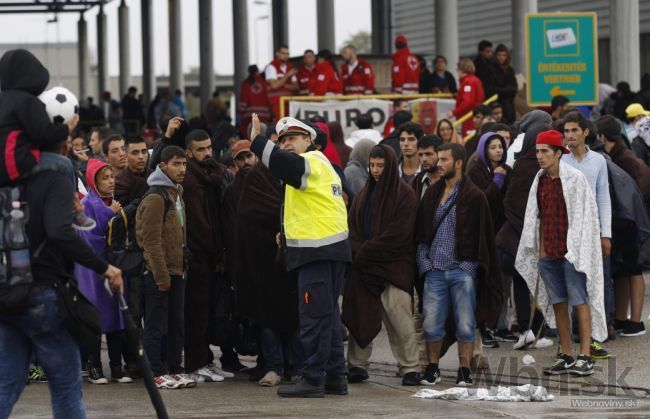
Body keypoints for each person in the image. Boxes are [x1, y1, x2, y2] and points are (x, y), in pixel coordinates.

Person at [0, 137, 123, 418]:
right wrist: (104, 267)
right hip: (45, 293)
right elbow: (60, 233)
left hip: (11, 292)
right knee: (67, 386)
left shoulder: (11, 184)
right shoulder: (55, 179)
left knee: (7, 383)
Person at [249, 114, 351, 398]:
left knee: (314, 319)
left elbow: (282, 164)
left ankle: (313, 379)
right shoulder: (322, 166)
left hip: (317, 251)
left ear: (309, 140)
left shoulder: (311, 162)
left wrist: (258, 141)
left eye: (293, 138)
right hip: (329, 250)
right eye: (282, 140)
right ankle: (335, 377)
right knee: (328, 317)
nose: (287, 144)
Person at [516, 130, 606, 376]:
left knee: (580, 302)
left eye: (545, 151)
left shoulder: (575, 179)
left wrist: (576, 251)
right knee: (558, 304)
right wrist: (542, 252)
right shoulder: (540, 180)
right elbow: (537, 217)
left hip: (571, 254)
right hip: (549, 254)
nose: (540, 156)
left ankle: (585, 355)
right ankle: (566, 354)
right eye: (537, 151)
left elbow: (587, 217)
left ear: (558, 153)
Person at [415, 143, 502, 387]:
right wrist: (425, 264)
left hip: (462, 271)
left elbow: (484, 239)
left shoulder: (475, 197)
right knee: (431, 324)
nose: (439, 164)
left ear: (459, 163)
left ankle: (464, 370)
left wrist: (469, 268)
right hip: (434, 271)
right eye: (439, 159)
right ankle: (433, 369)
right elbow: (421, 233)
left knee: (466, 324)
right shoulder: (431, 194)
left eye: (444, 160)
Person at [342, 145, 420, 386]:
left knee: (400, 320)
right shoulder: (365, 194)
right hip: (365, 268)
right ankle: (357, 365)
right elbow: (353, 228)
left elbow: (399, 234)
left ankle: (410, 367)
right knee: (359, 316)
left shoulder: (404, 195)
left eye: (380, 166)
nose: (375, 171)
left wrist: (366, 251)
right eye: (372, 165)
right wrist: (361, 251)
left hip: (393, 267)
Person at [235, 159, 303, 387]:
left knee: (293, 318)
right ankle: (274, 367)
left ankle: (297, 367)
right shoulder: (258, 176)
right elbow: (249, 212)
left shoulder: (296, 174)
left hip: (291, 260)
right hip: (262, 262)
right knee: (268, 319)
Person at [136, 145, 195, 390]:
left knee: (176, 324)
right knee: (155, 324)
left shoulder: (176, 193)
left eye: (183, 164)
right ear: (163, 166)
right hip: (159, 273)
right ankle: (156, 371)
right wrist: (161, 275)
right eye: (176, 164)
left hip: (177, 269)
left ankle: (175, 369)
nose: (182, 169)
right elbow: (149, 240)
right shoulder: (155, 197)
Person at [180, 130, 232, 383]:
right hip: (198, 256)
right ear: (189, 153)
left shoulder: (210, 176)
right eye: (201, 149)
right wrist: (212, 249)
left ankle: (205, 362)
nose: (207, 153)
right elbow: (198, 224)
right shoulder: (190, 180)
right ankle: (195, 364)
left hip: (212, 256)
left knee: (208, 313)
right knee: (196, 315)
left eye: (209, 147)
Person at [75, 159, 132, 385]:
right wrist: (111, 214)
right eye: (105, 178)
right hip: (93, 270)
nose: (111, 182)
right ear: (93, 181)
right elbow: (89, 237)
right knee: (96, 319)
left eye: (112, 177)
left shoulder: (112, 202)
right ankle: (96, 367)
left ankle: (116, 368)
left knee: (116, 316)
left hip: (112, 267)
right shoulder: (88, 203)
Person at [561, 112, 612, 356]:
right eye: (566, 131)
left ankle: (591, 339)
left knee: (592, 285)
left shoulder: (598, 161)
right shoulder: (561, 161)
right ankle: (567, 344)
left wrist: (606, 234)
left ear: (585, 132)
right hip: (566, 231)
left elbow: (604, 198)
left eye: (573, 130)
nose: (569, 135)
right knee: (568, 287)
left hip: (591, 231)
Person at [597, 115, 650, 337]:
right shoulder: (620, 154)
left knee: (633, 269)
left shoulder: (624, 158)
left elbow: (635, 191)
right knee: (621, 271)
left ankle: (636, 321)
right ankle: (620, 318)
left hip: (630, 222)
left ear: (600, 136)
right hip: (625, 221)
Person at [450, 58, 485, 137]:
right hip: (473, 116)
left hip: (469, 118)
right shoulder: (475, 80)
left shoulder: (468, 82)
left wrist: (453, 112)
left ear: (461, 70)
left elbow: (467, 101)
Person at [114, 136, 152, 207]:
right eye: (135, 153)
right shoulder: (119, 182)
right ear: (126, 155)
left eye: (144, 152)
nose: (141, 157)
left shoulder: (155, 177)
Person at [264, 44, 299, 121]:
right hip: (277, 103)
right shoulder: (271, 67)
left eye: (287, 54)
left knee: (290, 125)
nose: (286, 55)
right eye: (283, 53)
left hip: (289, 103)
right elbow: (274, 86)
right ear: (277, 54)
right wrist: (287, 75)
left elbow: (296, 86)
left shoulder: (290, 67)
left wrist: (282, 84)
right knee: (280, 125)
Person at [237, 65, 271, 138]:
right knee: (264, 137)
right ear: (257, 71)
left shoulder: (246, 83)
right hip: (264, 116)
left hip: (249, 118)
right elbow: (269, 98)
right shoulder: (264, 83)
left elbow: (243, 102)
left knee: (251, 138)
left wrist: (239, 114)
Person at [490, 44, 517, 124]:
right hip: (496, 103)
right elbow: (491, 88)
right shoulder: (491, 70)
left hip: (509, 105)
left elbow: (514, 88)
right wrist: (506, 90)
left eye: (504, 55)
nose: (501, 57)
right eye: (499, 55)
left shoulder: (510, 70)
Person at [410, 135, 443, 199]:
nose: (424, 159)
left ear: (440, 154)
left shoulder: (452, 181)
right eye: (420, 155)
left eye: (428, 154)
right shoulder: (414, 183)